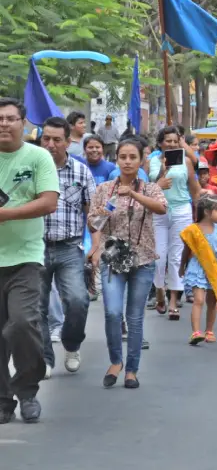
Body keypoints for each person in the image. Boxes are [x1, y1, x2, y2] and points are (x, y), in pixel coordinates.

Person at [88, 138, 168, 389]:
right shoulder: (104, 189)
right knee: (112, 312)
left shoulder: (150, 188)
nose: (128, 161)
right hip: (113, 258)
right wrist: (103, 216)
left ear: (141, 160)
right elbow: (93, 222)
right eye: (123, 157)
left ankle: (132, 369)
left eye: (133, 157)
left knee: (135, 317)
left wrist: (133, 194)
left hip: (142, 258)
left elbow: (161, 208)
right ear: (117, 159)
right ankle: (115, 361)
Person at [0, 98, 59, 424]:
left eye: (10, 118)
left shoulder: (38, 157)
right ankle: (3, 401)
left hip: (25, 257)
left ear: (24, 123)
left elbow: (48, 202)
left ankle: (27, 390)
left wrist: (5, 215)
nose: (4, 124)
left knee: (22, 324)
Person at [37, 117, 96, 377]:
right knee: (35, 307)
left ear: (68, 142)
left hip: (70, 248)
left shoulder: (81, 171)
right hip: (34, 248)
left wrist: (97, 245)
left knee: (77, 300)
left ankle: (71, 345)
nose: (50, 144)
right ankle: (45, 358)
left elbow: (93, 213)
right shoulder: (32, 168)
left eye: (56, 139)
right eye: (46, 139)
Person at [149, 126, 200, 320]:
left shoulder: (186, 161)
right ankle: (159, 290)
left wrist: (200, 216)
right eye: (167, 141)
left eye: (174, 141)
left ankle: (173, 301)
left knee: (177, 257)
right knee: (159, 256)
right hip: (159, 210)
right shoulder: (154, 161)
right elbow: (152, 183)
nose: (170, 144)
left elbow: (194, 189)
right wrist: (165, 167)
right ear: (160, 143)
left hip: (181, 210)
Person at [179, 195, 217, 345]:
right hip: (197, 267)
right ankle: (195, 332)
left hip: (214, 268)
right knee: (198, 300)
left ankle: (209, 330)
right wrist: (182, 266)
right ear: (207, 212)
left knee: (212, 302)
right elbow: (186, 251)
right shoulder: (193, 230)